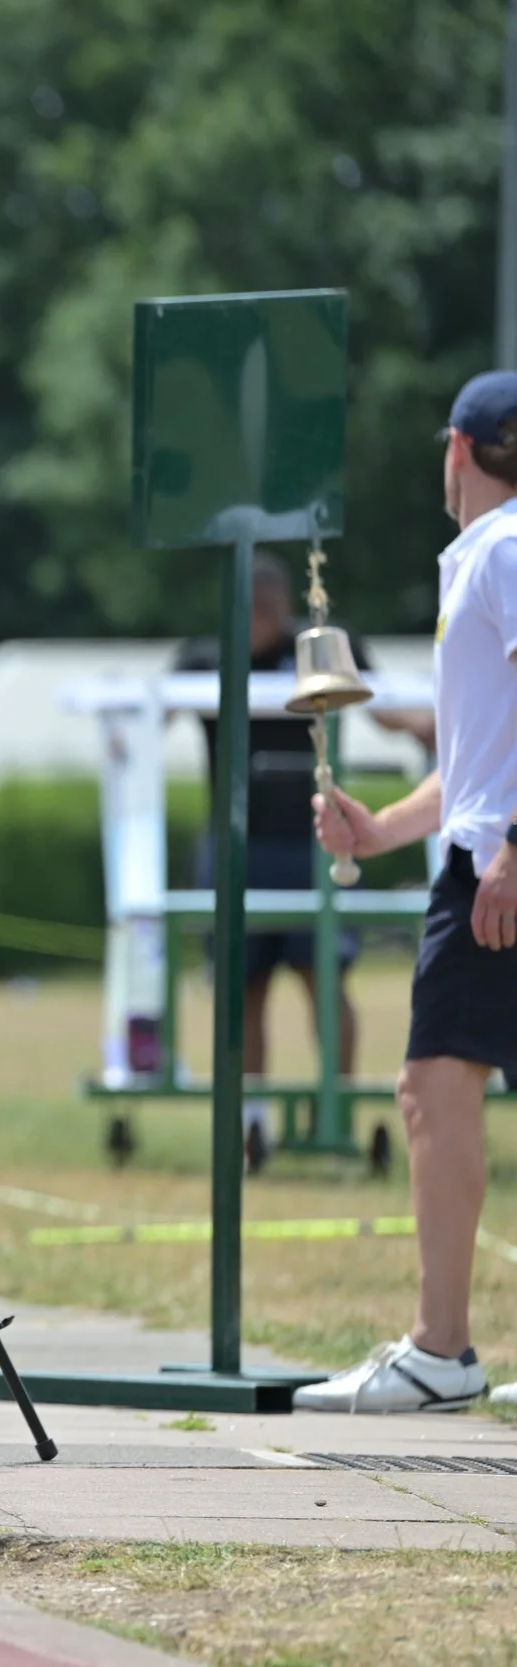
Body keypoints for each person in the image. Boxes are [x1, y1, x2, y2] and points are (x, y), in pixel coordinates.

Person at [294, 370, 517, 1415]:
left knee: (432, 1087)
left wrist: (513, 846)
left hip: (495, 872)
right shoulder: (485, 554)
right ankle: (441, 1348)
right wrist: (382, 827)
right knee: (435, 1088)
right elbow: (478, 764)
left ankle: (439, 1350)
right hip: (485, 853)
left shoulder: (503, 548)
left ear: (458, 449)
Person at [172, 554, 372, 1172]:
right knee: (243, 987)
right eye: (250, 609)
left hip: (314, 842)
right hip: (237, 847)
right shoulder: (203, 658)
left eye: (270, 609)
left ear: (286, 604)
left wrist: (431, 728)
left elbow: (389, 707)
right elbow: (153, 712)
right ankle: (251, 1125)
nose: (261, 621)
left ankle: (334, 1120)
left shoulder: (321, 649)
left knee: (325, 980)